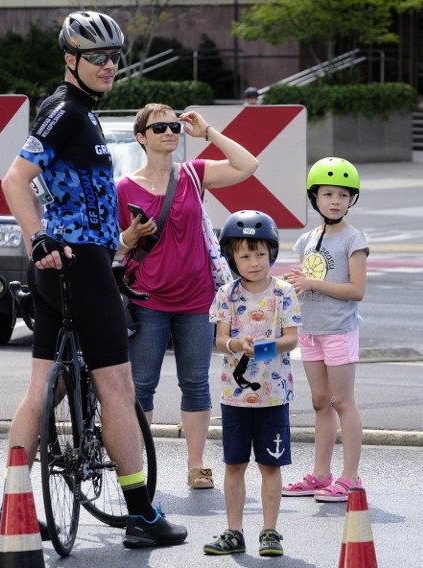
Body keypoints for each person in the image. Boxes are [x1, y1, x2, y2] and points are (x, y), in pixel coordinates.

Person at [0, 11, 186, 549]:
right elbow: (16, 179)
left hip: (64, 263)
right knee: (118, 388)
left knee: (44, 386)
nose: (109, 65)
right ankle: (140, 515)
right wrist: (38, 237)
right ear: (70, 59)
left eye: (115, 57)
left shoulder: (75, 112)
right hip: (77, 263)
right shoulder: (67, 112)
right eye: (97, 57)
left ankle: (9, 506)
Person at [116, 103, 258, 490]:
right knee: (141, 385)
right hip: (146, 300)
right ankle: (137, 466)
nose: (168, 131)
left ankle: (197, 466)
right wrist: (129, 238)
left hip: (197, 299)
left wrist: (207, 131)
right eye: (158, 126)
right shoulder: (124, 188)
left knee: (195, 383)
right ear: (142, 137)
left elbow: (247, 165)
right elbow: (114, 249)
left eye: (172, 125)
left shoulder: (194, 175)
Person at [204, 211, 300, 557]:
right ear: (232, 257)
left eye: (260, 254)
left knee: (270, 465)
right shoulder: (226, 295)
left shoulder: (284, 292)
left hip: (274, 397)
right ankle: (234, 531)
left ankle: (270, 532)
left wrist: (263, 347)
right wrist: (234, 345)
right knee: (234, 465)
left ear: (272, 253)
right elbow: (220, 339)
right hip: (235, 397)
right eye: (244, 255)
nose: (254, 262)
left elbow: (292, 338)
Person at [280, 157, 369, 503]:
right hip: (310, 329)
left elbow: (356, 290)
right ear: (314, 197)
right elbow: (308, 284)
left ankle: (350, 478)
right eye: (328, 194)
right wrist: (296, 283)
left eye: (344, 196)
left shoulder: (353, 240)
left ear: (352, 200)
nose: (335, 201)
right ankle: (320, 474)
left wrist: (313, 282)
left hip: (339, 330)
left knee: (342, 401)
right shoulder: (306, 241)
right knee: (320, 402)